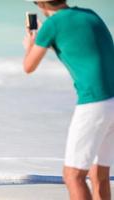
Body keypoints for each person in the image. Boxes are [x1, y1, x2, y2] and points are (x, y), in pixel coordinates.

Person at [23, 0, 114, 199]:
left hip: (94, 102)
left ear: (41, 3)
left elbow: (28, 67)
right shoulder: (90, 15)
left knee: (73, 175)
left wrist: (30, 44)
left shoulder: (52, 25)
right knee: (99, 175)